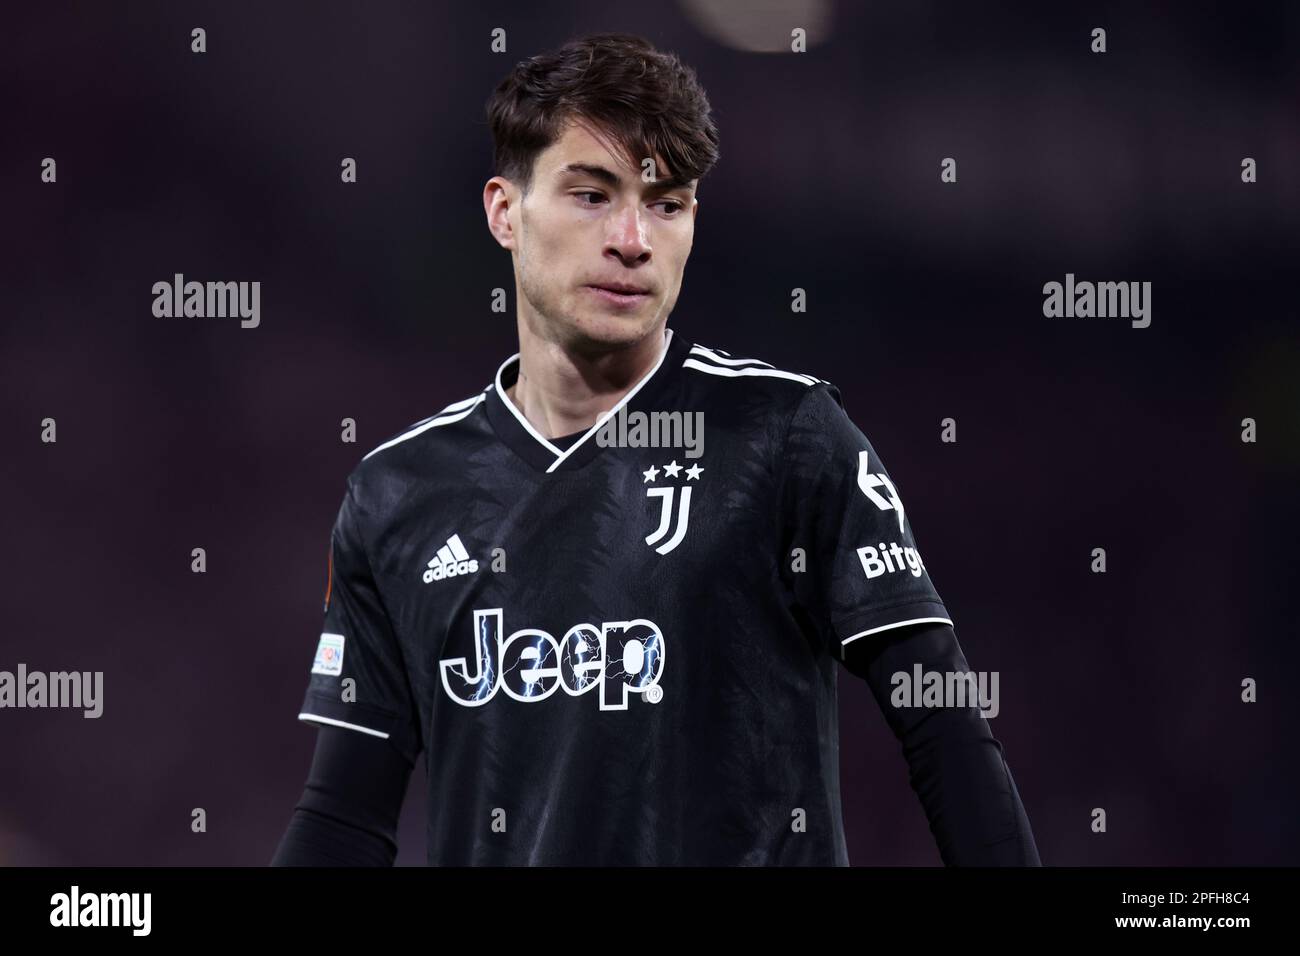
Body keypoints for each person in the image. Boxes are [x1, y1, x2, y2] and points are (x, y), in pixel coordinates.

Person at [272, 32, 1039, 866]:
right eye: (592, 195)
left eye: (666, 202)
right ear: (504, 211)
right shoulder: (398, 493)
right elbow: (345, 817)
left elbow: (947, 730)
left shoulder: (784, 437)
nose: (634, 238)